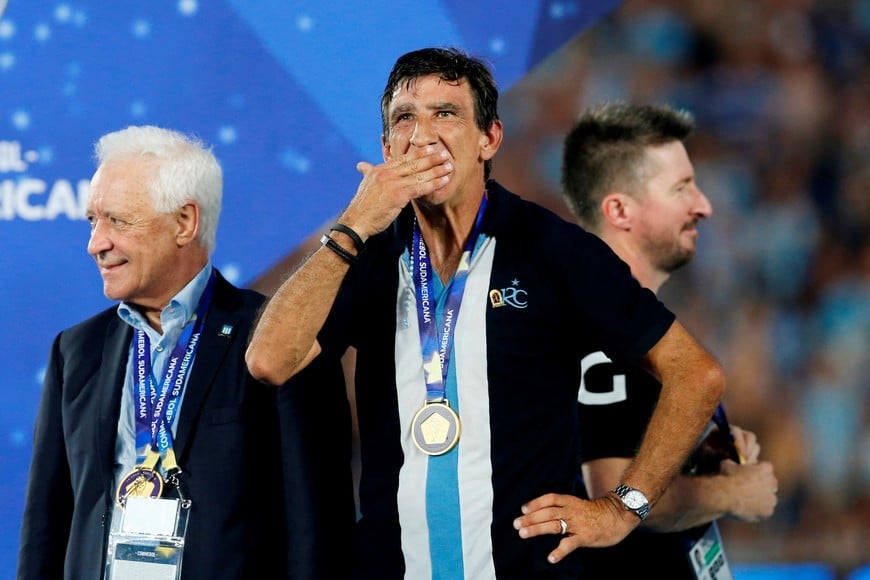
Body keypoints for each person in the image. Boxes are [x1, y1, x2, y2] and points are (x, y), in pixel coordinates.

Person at [245, 47, 725, 579]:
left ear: (488, 139)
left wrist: (622, 508)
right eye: (405, 118)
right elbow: (269, 359)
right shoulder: (366, 258)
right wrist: (353, 224)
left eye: (445, 114)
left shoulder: (554, 250)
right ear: (386, 148)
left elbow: (695, 374)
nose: (423, 135)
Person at [17, 125, 354, 580]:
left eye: (117, 220)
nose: (96, 243)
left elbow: (317, 523)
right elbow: (46, 528)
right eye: (93, 221)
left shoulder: (274, 340)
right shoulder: (76, 351)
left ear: (184, 222)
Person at [561, 102, 778, 577]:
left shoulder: (631, 322)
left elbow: (606, 454)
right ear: (619, 209)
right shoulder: (600, 330)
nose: (703, 204)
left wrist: (692, 457)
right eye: (681, 188)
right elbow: (611, 492)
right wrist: (733, 494)